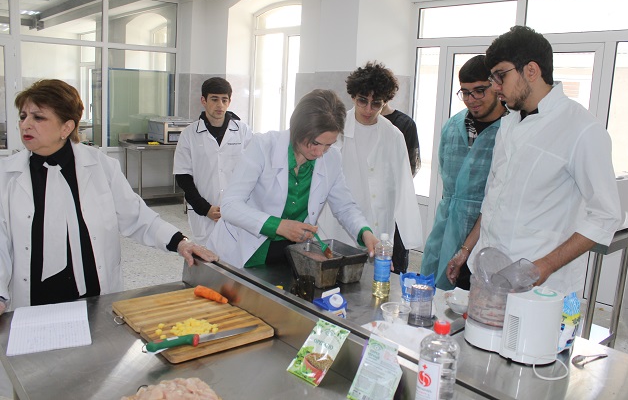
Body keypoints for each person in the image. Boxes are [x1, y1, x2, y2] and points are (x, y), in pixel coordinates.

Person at [0, 79, 217, 313]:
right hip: (33, 300)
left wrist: (181, 243)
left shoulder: (101, 166)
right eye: (23, 116)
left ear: (66, 127)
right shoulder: (6, 176)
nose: (25, 125)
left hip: (93, 298)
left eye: (38, 117)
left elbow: (137, 217)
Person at [446, 26, 621, 295]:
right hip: (488, 275)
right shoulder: (509, 123)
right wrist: (466, 249)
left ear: (531, 70)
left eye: (500, 76)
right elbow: (494, 200)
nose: (495, 86)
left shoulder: (581, 129)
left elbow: (606, 215)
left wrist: (545, 266)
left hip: (540, 288)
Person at [206, 89, 378, 268]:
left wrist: (364, 232)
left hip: (289, 252)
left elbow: (345, 207)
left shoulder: (332, 158)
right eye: (315, 143)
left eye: (328, 145)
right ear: (298, 130)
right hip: (242, 246)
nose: (320, 152)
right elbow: (230, 205)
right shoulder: (263, 146)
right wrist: (279, 226)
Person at [317, 61, 423, 274]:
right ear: (353, 97)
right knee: (334, 276)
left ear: (385, 102)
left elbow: (404, 185)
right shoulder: (336, 129)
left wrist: (410, 237)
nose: (368, 109)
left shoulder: (393, 135)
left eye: (376, 104)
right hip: (337, 223)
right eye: (362, 101)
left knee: (370, 282)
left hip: (378, 225)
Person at [420, 55, 506, 290]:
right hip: (447, 226)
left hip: (490, 235)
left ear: (496, 87)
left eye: (479, 91)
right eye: (465, 93)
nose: (471, 100)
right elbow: (445, 175)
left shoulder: (510, 130)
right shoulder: (453, 126)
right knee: (435, 295)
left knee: (482, 299)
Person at [174, 77, 252, 244]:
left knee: (237, 253)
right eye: (214, 99)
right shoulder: (189, 134)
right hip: (204, 213)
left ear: (229, 101)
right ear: (204, 100)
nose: (220, 105)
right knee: (207, 254)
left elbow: (253, 170)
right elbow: (183, 177)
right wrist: (205, 208)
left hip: (237, 209)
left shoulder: (243, 131)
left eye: (224, 100)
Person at [381, 100, 421, 274]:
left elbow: (409, 167)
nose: (369, 108)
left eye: (376, 101)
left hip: (392, 202)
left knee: (393, 260)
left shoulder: (404, 125)